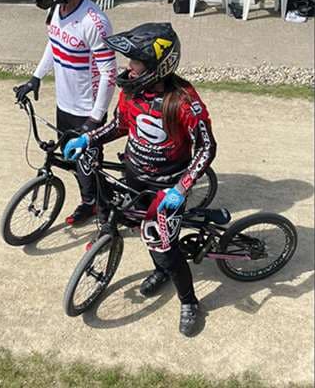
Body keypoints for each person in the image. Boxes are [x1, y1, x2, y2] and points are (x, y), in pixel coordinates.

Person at [62, 22, 217, 337]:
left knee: (166, 246)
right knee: (141, 229)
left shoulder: (183, 100)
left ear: (158, 66)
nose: (129, 67)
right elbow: (120, 125)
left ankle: (189, 301)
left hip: (167, 187)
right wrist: (89, 139)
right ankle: (161, 270)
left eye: (136, 62)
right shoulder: (131, 90)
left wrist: (181, 188)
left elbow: (207, 147)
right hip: (134, 176)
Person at [8, 0, 117, 226]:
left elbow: (109, 74)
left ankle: (106, 217)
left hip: (87, 111)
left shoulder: (94, 22)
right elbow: (53, 43)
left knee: (90, 165)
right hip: (64, 105)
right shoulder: (57, 9)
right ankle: (89, 202)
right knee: (73, 161)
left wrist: (95, 119)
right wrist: (35, 78)